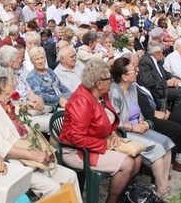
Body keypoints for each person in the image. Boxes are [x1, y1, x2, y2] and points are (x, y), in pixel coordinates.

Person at [0, 67, 81, 200]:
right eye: (12, 81)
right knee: (53, 188)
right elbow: (0, 147)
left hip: (32, 159)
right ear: (2, 86)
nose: (16, 83)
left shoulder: (12, 104)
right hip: (14, 164)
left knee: (70, 176)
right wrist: (33, 155)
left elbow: (29, 129)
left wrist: (42, 150)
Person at [60, 60, 141, 203]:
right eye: (109, 79)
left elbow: (107, 120)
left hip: (97, 142)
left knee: (138, 158)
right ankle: (112, 200)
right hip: (77, 151)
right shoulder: (82, 101)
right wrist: (105, 144)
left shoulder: (102, 94)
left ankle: (120, 197)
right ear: (99, 83)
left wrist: (113, 133)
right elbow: (77, 138)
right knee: (128, 163)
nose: (112, 81)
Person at [124, 53, 181, 176]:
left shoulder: (138, 78)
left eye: (138, 66)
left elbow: (150, 95)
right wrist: (154, 113)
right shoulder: (126, 85)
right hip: (146, 117)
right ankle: (158, 165)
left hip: (154, 111)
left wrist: (162, 109)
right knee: (174, 128)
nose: (139, 70)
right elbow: (137, 107)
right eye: (135, 67)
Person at [109, 57, 174, 199]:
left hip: (137, 126)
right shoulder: (114, 92)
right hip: (124, 132)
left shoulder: (132, 87)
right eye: (133, 71)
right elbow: (114, 122)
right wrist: (133, 127)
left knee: (167, 143)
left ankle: (161, 186)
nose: (137, 72)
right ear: (124, 77)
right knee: (157, 148)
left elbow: (137, 109)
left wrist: (142, 121)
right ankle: (162, 190)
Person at [137, 43, 181, 115]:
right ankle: (178, 117)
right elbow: (148, 81)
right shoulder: (145, 61)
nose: (162, 54)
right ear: (156, 53)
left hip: (163, 86)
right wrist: (166, 83)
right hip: (157, 89)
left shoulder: (157, 61)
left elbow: (165, 73)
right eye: (161, 52)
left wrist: (173, 78)